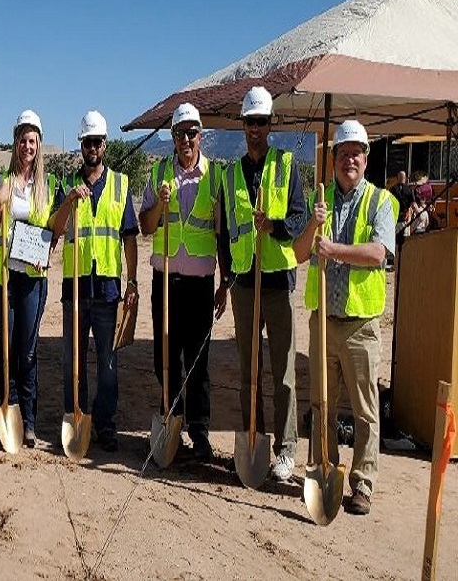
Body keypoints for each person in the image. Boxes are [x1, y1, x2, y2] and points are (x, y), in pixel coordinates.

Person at [293, 119, 397, 516]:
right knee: (322, 404)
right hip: (323, 321)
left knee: (364, 408)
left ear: (365, 160)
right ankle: (323, 467)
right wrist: (314, 225)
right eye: (342, 153)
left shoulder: (380, 202)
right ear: (333, 159)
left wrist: (333, 248)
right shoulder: (323, 203)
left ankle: (362, 483)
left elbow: (378, 254)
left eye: (356, 153)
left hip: (359, 325)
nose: (349, 160)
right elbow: (303, 253)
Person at [218, 86, 308, 482]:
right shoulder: (230, 173)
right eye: (250, 122)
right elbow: (225, 234)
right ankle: (252, 434)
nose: (256, 128)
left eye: (262, 121)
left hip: (276, 282)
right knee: (248, 370)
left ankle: (286, 450)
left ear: (271, 124)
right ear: (243, 125)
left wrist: (272, 226)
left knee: (283, 370)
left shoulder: (287, 165)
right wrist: (226, 276)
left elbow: (300, 219)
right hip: (243, 282)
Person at [138, 103, 227, 459]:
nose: (186, 139)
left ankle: (200, 432)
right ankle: (171, 417)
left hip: (201, 284)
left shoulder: (215, 176)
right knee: (165, 355)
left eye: (192, 133)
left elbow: (220, 233)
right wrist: (160, 204)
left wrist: (224, 285)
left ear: (200, 137)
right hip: (166, 281)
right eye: (180, 133)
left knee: (198, 359)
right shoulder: (159, 172)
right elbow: (146, 226)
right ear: (172, 138)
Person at [50, 110, 139, 453]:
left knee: (108, 362)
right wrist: (68, 202)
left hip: (107, 288)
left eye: (96, 142)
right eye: (86, 142)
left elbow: (129, 237)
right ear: (81, 146)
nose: (91, 148)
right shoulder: (67, 186)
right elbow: (55, 232)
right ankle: (76, 416)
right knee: (72, 360)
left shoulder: (120, 184)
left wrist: (132, 283)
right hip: (75, 287)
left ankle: (105, 425)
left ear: (104, 145)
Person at [0, 109, 59, 448]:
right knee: (8, 348)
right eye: (22, 140)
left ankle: (29, 420)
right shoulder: (3, 182)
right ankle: (8, 409)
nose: (27, 146)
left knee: (28, 350)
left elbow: (53, 231)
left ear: (38, 145)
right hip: (3, 278)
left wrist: (45, 254)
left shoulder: (50, 185)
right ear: (15, 144)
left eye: (33, 140)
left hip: (32, 278)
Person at [388, 170, 413, 238]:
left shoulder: (408, 189)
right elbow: (389, 201)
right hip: (396, 216)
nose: (402, 178)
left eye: (403, 177)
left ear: (405, 178)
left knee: (405, 236)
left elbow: (412, 202)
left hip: (406, 216)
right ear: (398, 178)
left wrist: (409, 211)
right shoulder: (393, 189)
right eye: (400, 177)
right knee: (396, 235)